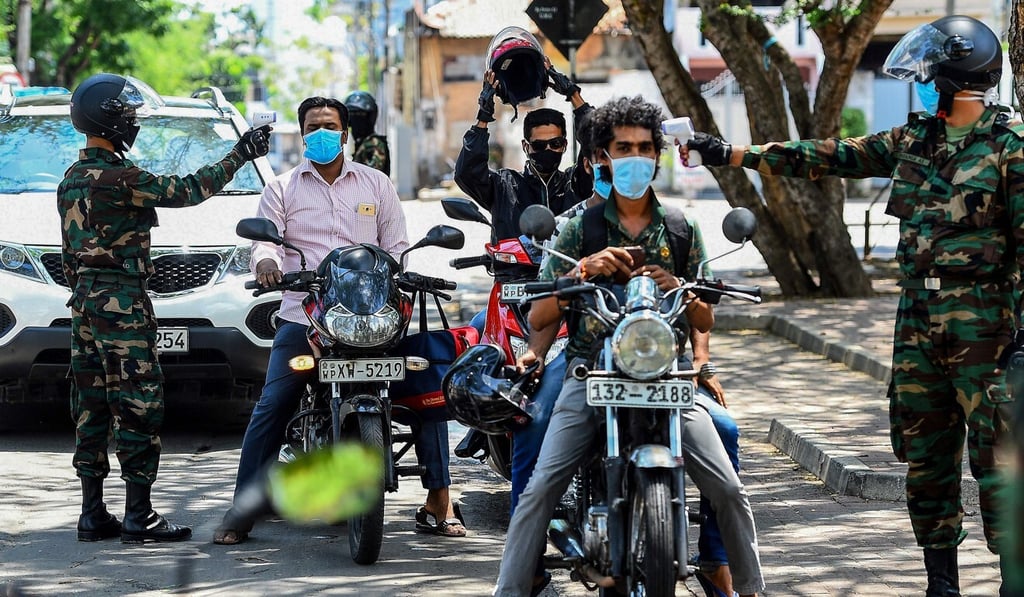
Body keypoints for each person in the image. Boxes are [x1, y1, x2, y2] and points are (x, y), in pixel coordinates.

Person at [682, 15, 1019, 596]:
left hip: (989, 325)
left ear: (953, 75)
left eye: (932, 73)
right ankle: (942, 583)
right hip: (916, 321)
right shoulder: (916, 140)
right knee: (926, 457)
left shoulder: (1010, 152)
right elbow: (829, 155)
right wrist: (732, 153)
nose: (925, 82)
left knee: (1002, 461)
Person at [494, 95, 765, 597]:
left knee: (727, 487)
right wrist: (582, 270)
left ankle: (745, 587)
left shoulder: (681, 228)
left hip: (666, 376)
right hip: (589, 375)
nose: (635, 157)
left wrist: (677, 289)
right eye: (624, 147)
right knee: (539, 489)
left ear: (657, 156)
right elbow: (540, 316)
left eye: (644, 148)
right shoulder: (579, 228)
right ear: (603, 154)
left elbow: (704, 315)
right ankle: (513, 587)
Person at [213, 96, 465, 544]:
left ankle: (439, 501)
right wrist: (267, 263)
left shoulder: (376, 184)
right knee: (273, 404)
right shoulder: (283, 189)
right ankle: (241, 510)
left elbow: (397, 245)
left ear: (345, 133)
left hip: (375, 319)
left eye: (330, 125)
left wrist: (408, 270)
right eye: (313, 127)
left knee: (428, 393)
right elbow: (263, 242)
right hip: (304, 318)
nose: (322, 133)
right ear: (302, 133)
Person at [60, 73, 271, 543]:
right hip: (122, 306)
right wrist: (242, 154)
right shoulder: (121, 177)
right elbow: (190, 189)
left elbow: (71, 255)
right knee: (139, 402)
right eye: (128, 113)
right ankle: (140, 516)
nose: (133, 121)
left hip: (83, 308)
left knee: (90, 406)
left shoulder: (71, 179)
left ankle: (92, 514)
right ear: (109, 119)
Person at [343, 90, 390, 175]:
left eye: (360, 114)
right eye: (353, 115)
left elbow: (370, 176)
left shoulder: (374, 144)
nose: (356, 120)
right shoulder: (359, 143)